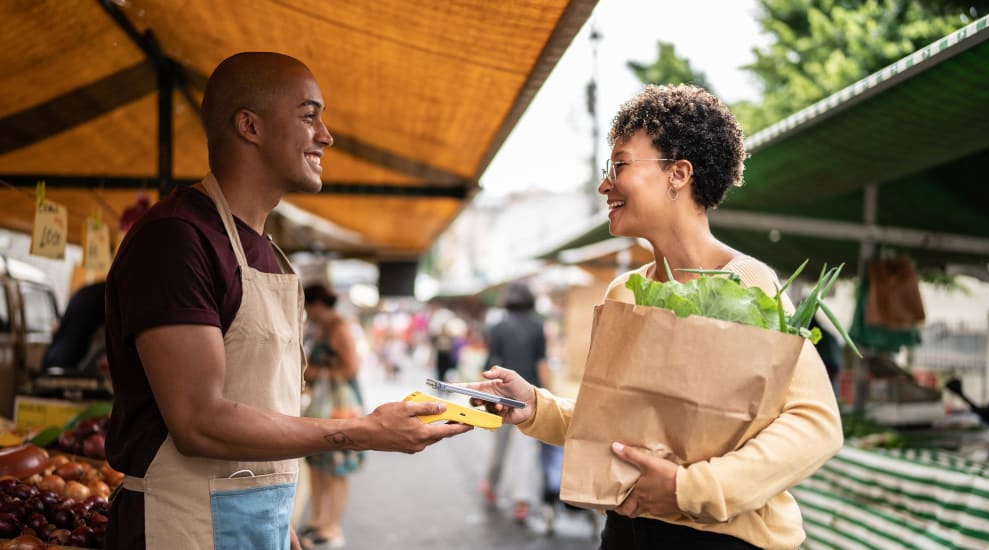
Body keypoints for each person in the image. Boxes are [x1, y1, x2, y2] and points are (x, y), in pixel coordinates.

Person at [103, 52, 471, 550]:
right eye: (308, 115)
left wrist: (279, 519)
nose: (326, 135)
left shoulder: (271, 254)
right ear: (249, 126)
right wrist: (362, 431)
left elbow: (257, 404)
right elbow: (199, 423)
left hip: (257, 517)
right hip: (181, 526)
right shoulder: (176, 238)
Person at [467, 84, 842, 549]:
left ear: (678, 174)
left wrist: (690, 489)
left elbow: (815, 425)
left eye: (620, 165)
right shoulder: (624, 292)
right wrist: (535, 408)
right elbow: (616, 425)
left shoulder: (751, 284)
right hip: (628, 532)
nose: (606, 184)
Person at [300, 284, 363, 549]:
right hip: (323, 403)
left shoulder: (339, 327)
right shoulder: (322, 328)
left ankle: (332, 525)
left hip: (339, 404)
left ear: (316, 304)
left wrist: (317, 373)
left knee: (337, 466)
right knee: (316, 463)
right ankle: (318, 519)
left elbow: (351, 367)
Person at [479, 282, 547, 523]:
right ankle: (521, 501)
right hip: (530, 395)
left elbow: (489, 364)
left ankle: (491, 485)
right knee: (526, 449)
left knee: (499, 446)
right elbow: (542, 364)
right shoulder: (538, 327)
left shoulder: (497, 327)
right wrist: (549, 394)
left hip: (502, 395)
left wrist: (482, 395)